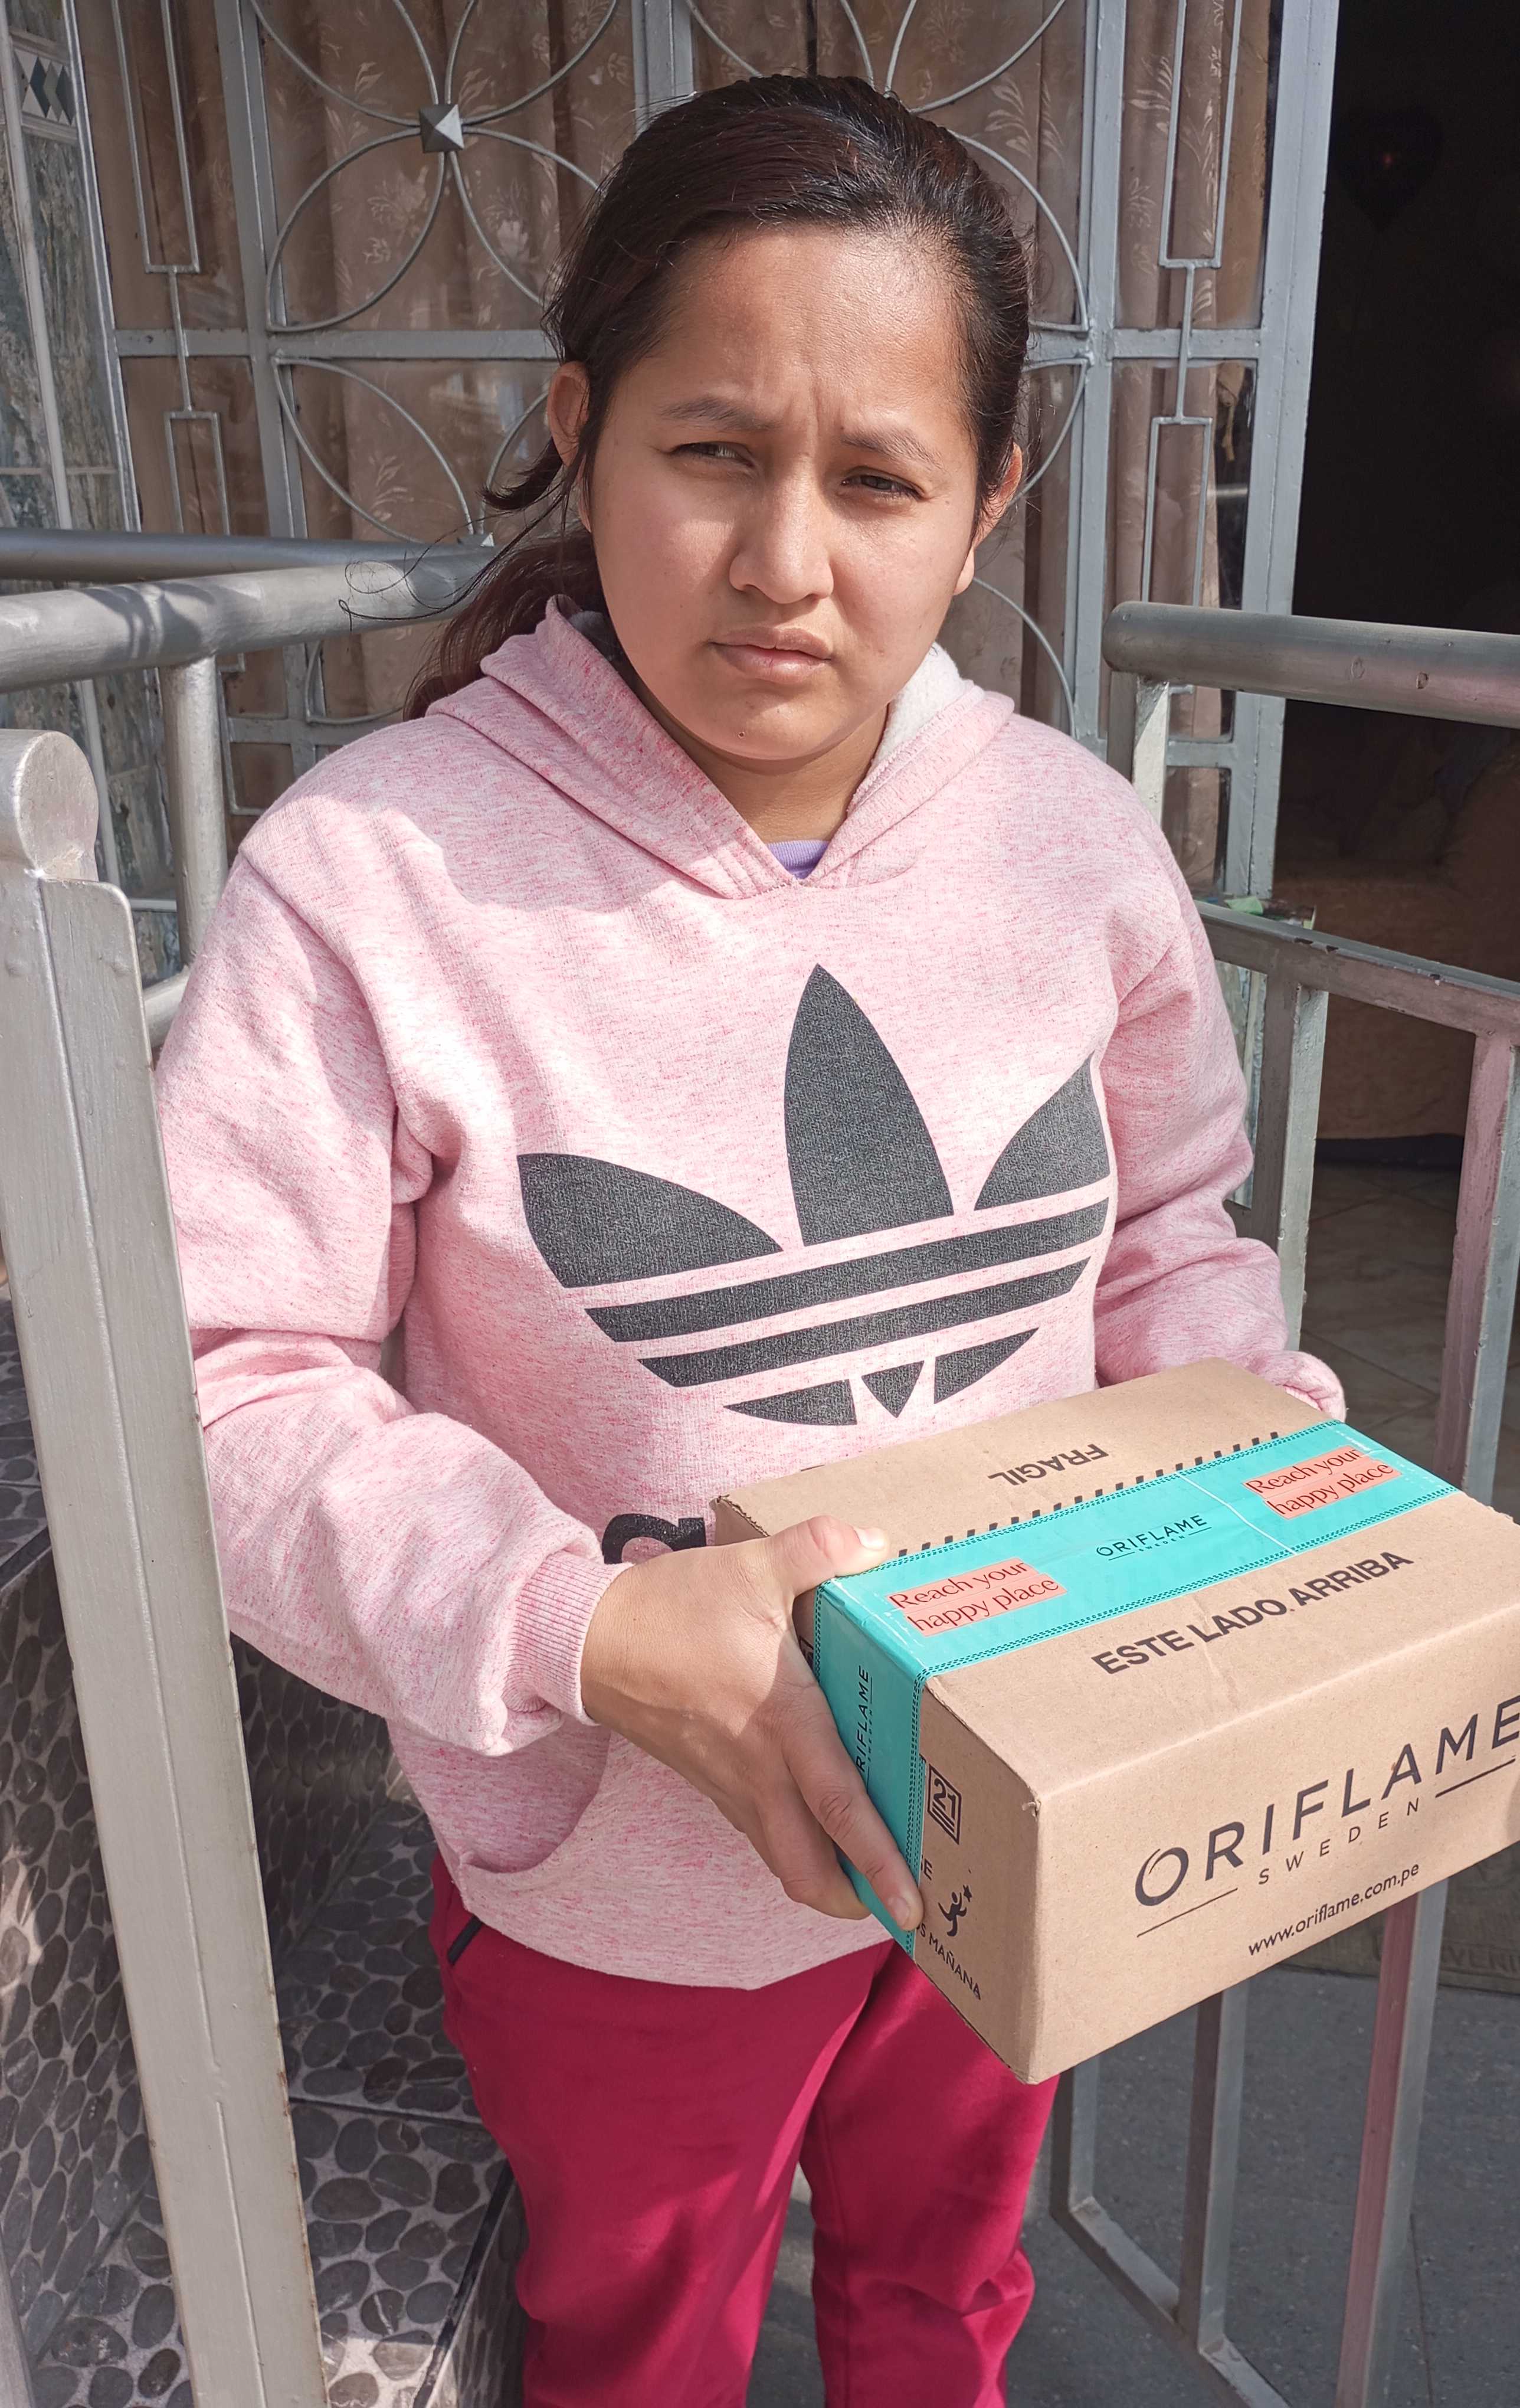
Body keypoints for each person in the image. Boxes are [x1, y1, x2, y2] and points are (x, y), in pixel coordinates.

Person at [156, 73, 1340, 2408]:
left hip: (1011, 1798)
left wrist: (1263, 1461)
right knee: (644, 2351)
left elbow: (1169, 1231)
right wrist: (580, 1629)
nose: (787, 560)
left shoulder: (1077, 848)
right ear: (580, 432)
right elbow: (218, 1385)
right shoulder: (374, 877)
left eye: (880, 480)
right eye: (714, 451)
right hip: (625, 1897)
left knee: (946, 2300)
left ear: (990, 504)